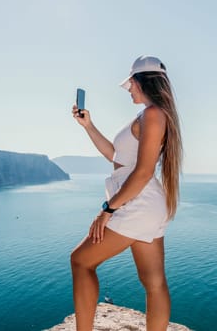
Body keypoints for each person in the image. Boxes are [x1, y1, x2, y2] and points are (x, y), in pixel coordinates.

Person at [70, 55, 183, 331]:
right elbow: (115, 156)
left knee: (81, 261)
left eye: (130, 84)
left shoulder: (153, 114)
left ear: (140, 81)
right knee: (154, 282)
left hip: (137, 203)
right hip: (146, 203)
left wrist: (107, 210)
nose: (128, 89)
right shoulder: (150, 114)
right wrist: (88, 126)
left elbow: (143, 172)